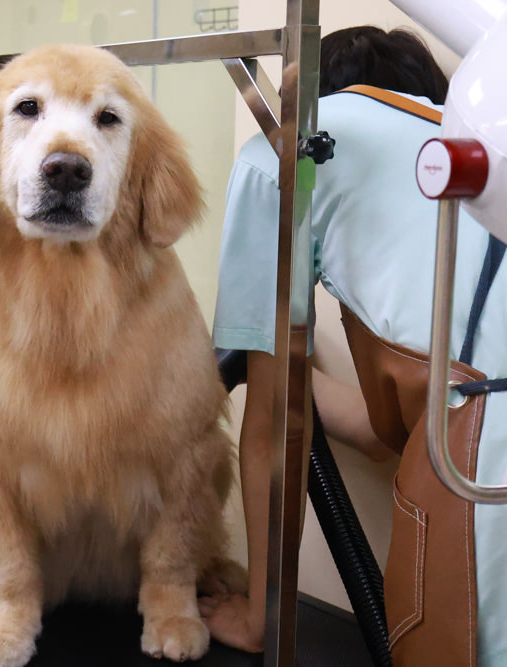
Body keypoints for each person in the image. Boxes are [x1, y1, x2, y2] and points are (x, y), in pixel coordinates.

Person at [203, 26, 507, 666]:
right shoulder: (478, 150)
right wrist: (284, 375)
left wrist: (261, 619)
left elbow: (270, 430)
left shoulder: (292, 148)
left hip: (482, 475)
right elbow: (382, 427)